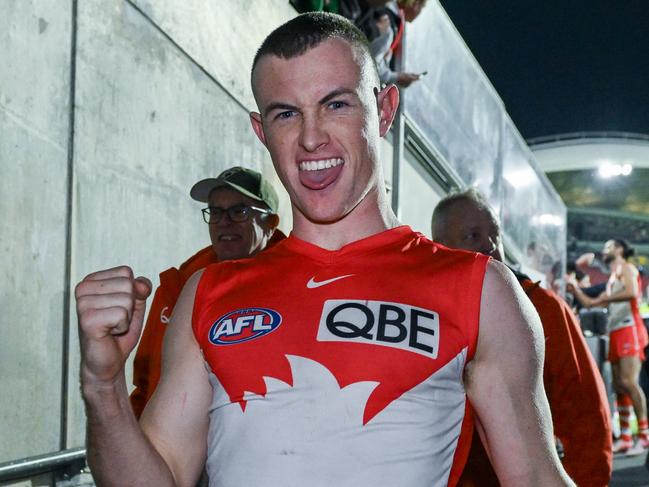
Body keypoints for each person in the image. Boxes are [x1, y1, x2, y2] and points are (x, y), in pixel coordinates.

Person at [75, 13, 575, 486]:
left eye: (336, 104)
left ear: (383, 110)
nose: (311, 138)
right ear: (261, 132)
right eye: (287, 114)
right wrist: (104, 388)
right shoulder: (208, 293)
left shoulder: (479, 288)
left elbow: (533, 476)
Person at [431, 188, 612, 487]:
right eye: (473, 236)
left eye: (495, 234)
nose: (490, 245)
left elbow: (584, 409)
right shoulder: (423, 315)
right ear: (440, 247)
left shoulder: (543, 308)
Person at [129, 166, 285, 418]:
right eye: (215, 211)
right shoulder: (178, 288)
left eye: (239, 211)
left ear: (270, 223)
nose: (224, 222)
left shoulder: (297, 288)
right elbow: (145, 385)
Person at [569, 238, 649, 455]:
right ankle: (624, 437)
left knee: (628, 382)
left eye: (608, 247)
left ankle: (644, 437)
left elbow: (633, 293)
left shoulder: (627, 268)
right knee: (619, 386)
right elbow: (590, 303)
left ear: (620, 249)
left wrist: (604, 298)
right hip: (614, 331)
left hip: (629, 328)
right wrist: (575, 289)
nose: (604, 251)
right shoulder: (613, 277)